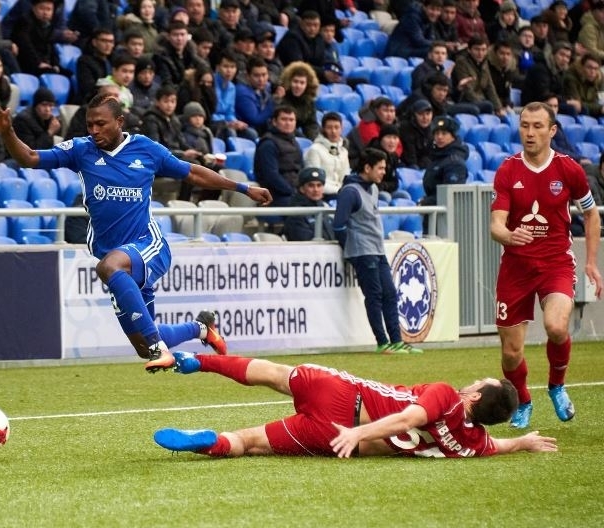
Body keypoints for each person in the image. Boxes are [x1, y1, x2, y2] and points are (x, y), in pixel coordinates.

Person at [0, 94, 273, 371]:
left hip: (147, 245)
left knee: (110, 270)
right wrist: (7, 131)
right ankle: (201, 328)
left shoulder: (145, 149)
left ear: (119, 121)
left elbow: (193, 172)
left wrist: (244, 188)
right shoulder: (81, 150)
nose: (94, 131)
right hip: (115, 257)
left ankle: (160, 349)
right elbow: (30, 158)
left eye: (101, 124)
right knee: (142, 344)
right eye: (90, 125)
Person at [152, 351, 558, 458]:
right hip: (338, 440)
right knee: (250, 442)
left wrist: (357, 430)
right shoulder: (471, 442)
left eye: (481, 382)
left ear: (475, 396)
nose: (474, 381)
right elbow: (497, 444)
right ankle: (211, 441)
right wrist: (523, 443)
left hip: (346, 400)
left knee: (274, 373)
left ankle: (196, 361)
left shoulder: (447, 396)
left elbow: (410, 417)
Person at [490, 102, 602, 429]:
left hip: (556, 263)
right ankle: (524, 401)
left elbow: (591, 214)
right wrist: (509, 236)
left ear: (552, 130)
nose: (529, 132)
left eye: (537, 126)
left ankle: (556, 386)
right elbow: (496, 225)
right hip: (516, 267)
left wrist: (591, 262)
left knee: (556, 326)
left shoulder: (569, 170)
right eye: (524, 125)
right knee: (511, 351)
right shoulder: (508, 170)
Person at [333, 148, 424, 354]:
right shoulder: (350, 192)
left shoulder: (373, 188)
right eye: (380, 168)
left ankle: (396, 341)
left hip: (377, 249)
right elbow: (339, 225)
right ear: (367, 168)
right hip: (363, 251)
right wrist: (351, 248)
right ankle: (382, 343)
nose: (384, 172)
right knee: (374, 295)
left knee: (390, 293)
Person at [253, 105, 302, 208]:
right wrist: (292, 191)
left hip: (294, 190)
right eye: (284, 119)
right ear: (274, 122)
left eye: (291, 120)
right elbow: (271, 176)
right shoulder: (268, 144)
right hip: (275, 195)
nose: (288, 123)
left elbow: (301, 169)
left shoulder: (294, 141)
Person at [304, 111, 350, 199]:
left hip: (341, 192)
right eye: (329, 128)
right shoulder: (315, 149)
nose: (333, 131)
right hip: (323, 194)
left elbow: (346, 177)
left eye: (336, 127)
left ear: (341, 128)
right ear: (323, 129)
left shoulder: (343, 151)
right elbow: (314, 180)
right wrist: (339, 190)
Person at [283, 167, 335, 241]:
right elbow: (305, 239)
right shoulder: (296, 213)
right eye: (311, 185)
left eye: (319, 185)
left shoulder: (326, 208)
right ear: (302, 189)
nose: (316, 190)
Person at [276, 61, 319, 140]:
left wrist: (313, 140)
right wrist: (304, 140)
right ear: (289, 81)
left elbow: (311, 124)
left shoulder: (309, 101)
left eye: (302, 83)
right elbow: (286, 124)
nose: (298, 86)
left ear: (307, 84)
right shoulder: (281, 98)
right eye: (295, 81)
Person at [400, 99, 435, 169]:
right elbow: (410, 157)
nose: (425, 118)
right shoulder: (406, 129)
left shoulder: (433, 129)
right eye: (421, 114)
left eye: (428, 114)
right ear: (414, 115)